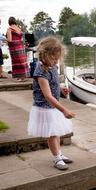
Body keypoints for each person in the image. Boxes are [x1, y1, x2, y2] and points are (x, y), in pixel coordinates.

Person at [27, 36, 75, 170]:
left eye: (58, 59)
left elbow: (52, 85)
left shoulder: (52, 67)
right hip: (45, 107)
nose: (56, 61)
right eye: (54, 58)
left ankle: (58, 154)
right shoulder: (40, 71)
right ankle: (56, 158)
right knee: (53, 134)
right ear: (45, 55)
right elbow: (47, 95)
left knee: (56, 132)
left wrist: (60, 88)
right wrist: (64, 110)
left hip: (52, 107)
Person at [6, 16, 30, 82]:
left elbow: (10, 39)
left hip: (14, 46)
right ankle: (24, 76)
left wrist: (5, 40)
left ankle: (20, 77)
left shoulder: (9, 29)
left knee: (16, 61)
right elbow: (21, 39)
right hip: (21, 45)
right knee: (22, 60)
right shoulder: (19, 29)